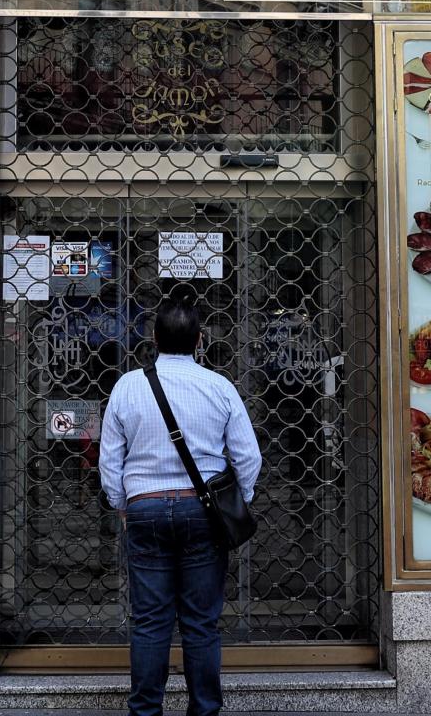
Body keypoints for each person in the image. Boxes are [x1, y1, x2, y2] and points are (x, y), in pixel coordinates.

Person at [99, 297, 261, 716]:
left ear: (153, 339)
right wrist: (238, 500)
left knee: (150, 621)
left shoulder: (128, 386)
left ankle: (146, 711)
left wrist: (122, 503)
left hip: (145, 509)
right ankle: (205, 711)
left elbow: (109, 460)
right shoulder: (219, 386)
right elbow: (248, 457)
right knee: (200, 623)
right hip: (203, 512)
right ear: (200, 340)